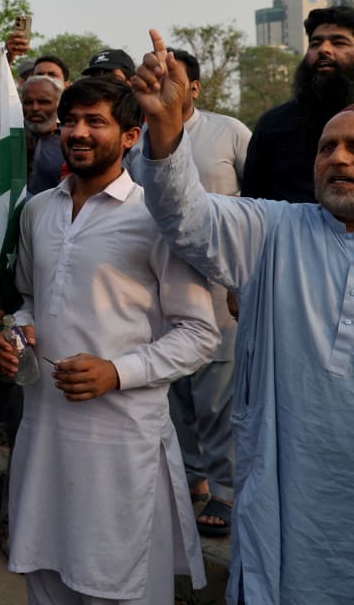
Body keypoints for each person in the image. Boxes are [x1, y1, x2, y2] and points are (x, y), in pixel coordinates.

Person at [130, 29, 354, 605]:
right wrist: (166, 127)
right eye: (327, 148)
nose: (337, 159)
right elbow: (185, 216)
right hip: (288, 500)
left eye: (353, 148)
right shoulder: (276, 229)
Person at [0, 76, 218, 605]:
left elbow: (199, 332)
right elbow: (29, 299)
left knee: (117, 584)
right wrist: (17, 333)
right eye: (70, 121)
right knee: (44, 577)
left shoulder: (157, 216)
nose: (78, 132)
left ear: (131, 136)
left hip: (119, 442)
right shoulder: (37, 210)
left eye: (95, 121)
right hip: (44, 432)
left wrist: (117, 372)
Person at [159, 48, 250, 537]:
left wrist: (242, 278)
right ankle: (191, 479)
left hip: (221, 284)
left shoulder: (229, 132)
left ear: (194, 88)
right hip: (163, 282)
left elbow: (258, 201)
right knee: (176, 394)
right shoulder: (146, 138)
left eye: (176, 79)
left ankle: (225, 490)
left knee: (217, 398)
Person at [241, 5, 354, 202]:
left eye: (338, 42)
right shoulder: (274, 125)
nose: (324, 50)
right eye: (315, 43)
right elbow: (252, 205)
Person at [22, 73, 65, 194]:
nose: (35, 108)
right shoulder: (8, 138)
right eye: (28, 102)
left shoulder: (70, 141)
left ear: (58, 104)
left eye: (43, 102)